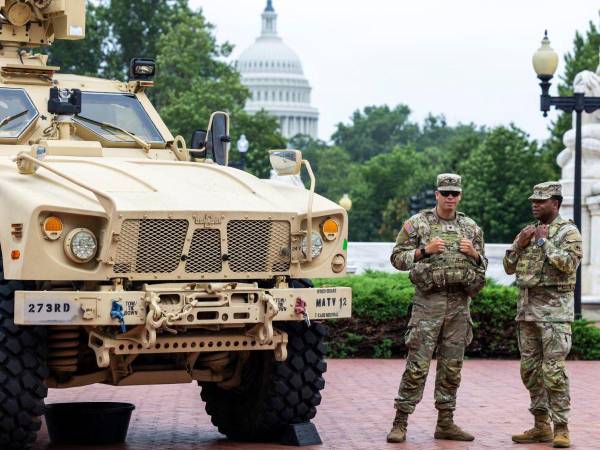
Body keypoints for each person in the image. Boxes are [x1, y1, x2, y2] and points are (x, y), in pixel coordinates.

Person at [387, 173, 487, 443]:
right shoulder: (417, 224)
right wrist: (424, 251)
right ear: (436, 195)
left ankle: (446, 422)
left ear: (460, 195)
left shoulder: (471, 228)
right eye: (445, 193)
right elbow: (396, 258)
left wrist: (474, 254)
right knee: (417, 365)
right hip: (428, 304)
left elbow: (483, 265)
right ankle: (400, 421)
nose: (450, 198)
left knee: (452, 367)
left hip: (459, 306)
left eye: (455, 193)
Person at [503, 182, 582, 449]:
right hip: (526, 314)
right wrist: (519, 244)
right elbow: (508, 267)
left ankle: (561, 427)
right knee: (530, 371)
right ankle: (540, 426)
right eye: (533, 201)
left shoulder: (568, 232)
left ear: (556, 203)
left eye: (541, 201)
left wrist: (542, 241)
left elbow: (569, 265)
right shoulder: (527, 231)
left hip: (555, 316)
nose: (535, 204)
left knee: (554, 372)